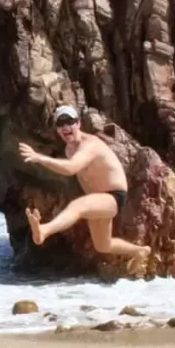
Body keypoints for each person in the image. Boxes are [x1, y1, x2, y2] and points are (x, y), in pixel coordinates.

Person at [19, 105, 151, 259]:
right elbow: (84, 176)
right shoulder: (69, 150)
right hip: (97, 199)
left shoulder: (90, 144)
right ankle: (141, 251)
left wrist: (39, 158)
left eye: (70, 122)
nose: (65, 127)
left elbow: (71, 168)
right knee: (103, 245)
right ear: (57, 129)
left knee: (77, 206)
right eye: (60, 124)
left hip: (114, 196)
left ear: (78, 124)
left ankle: (45, 230)